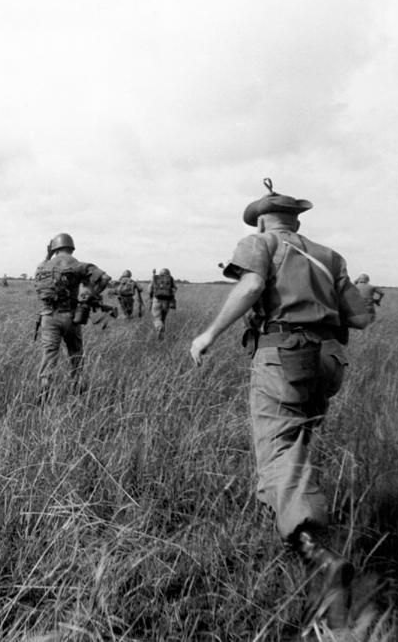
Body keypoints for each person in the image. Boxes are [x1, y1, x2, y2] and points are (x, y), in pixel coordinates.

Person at [189, 180, 371, 631]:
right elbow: (361, 317)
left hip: (283, 355)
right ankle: (279, 513)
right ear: (297, 219)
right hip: (329, 359)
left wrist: (209, 335)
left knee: (280, 444)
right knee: (297, 437)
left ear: (264, 219)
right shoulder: (330, 256)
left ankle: (317, 553)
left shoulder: (260, 243)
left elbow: (251, 286)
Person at [34, 233, 110, 399]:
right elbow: (104, 278)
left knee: (49, 355)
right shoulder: (78, 265)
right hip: (71, 316)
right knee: (76, 354)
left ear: (54, 248)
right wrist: (91, 295)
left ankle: (44, 394)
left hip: (48, 316)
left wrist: (48, 254)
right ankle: (77, 391)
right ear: (71, 247)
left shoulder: (43, 266)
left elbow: (38, 276)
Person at [149, 267, 177, 338]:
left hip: (156, 300)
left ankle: (159, 328)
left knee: (157, 318)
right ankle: (161, 337)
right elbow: (175, 288)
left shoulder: (155, 278)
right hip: (167, 302)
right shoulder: (170, 278)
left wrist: (151, 296)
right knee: (162, 319)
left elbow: (149, 289)